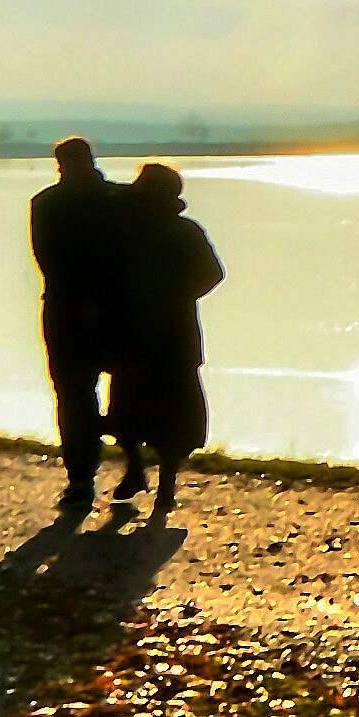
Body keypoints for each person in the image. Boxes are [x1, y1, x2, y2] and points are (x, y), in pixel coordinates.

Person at [108, 161, 224, 522]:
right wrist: (180, 296)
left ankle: (149, 476)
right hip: (164, 332)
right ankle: (151, 478)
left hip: (152, 331)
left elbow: (212, 274)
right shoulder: (174, 231)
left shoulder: (130, 231)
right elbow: (213, 274)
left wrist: (172, 296)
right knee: (149, 408)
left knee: (134, 406)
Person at [29, 137, 138, 515]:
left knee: (73, 394)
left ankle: (81, 479)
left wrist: (82, 300)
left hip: (66, 311)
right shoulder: (122, 200)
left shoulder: (45, 204)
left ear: (60, 164)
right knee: (122, 389)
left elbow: (48, 261)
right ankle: (130, 466)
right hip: (117, 310)